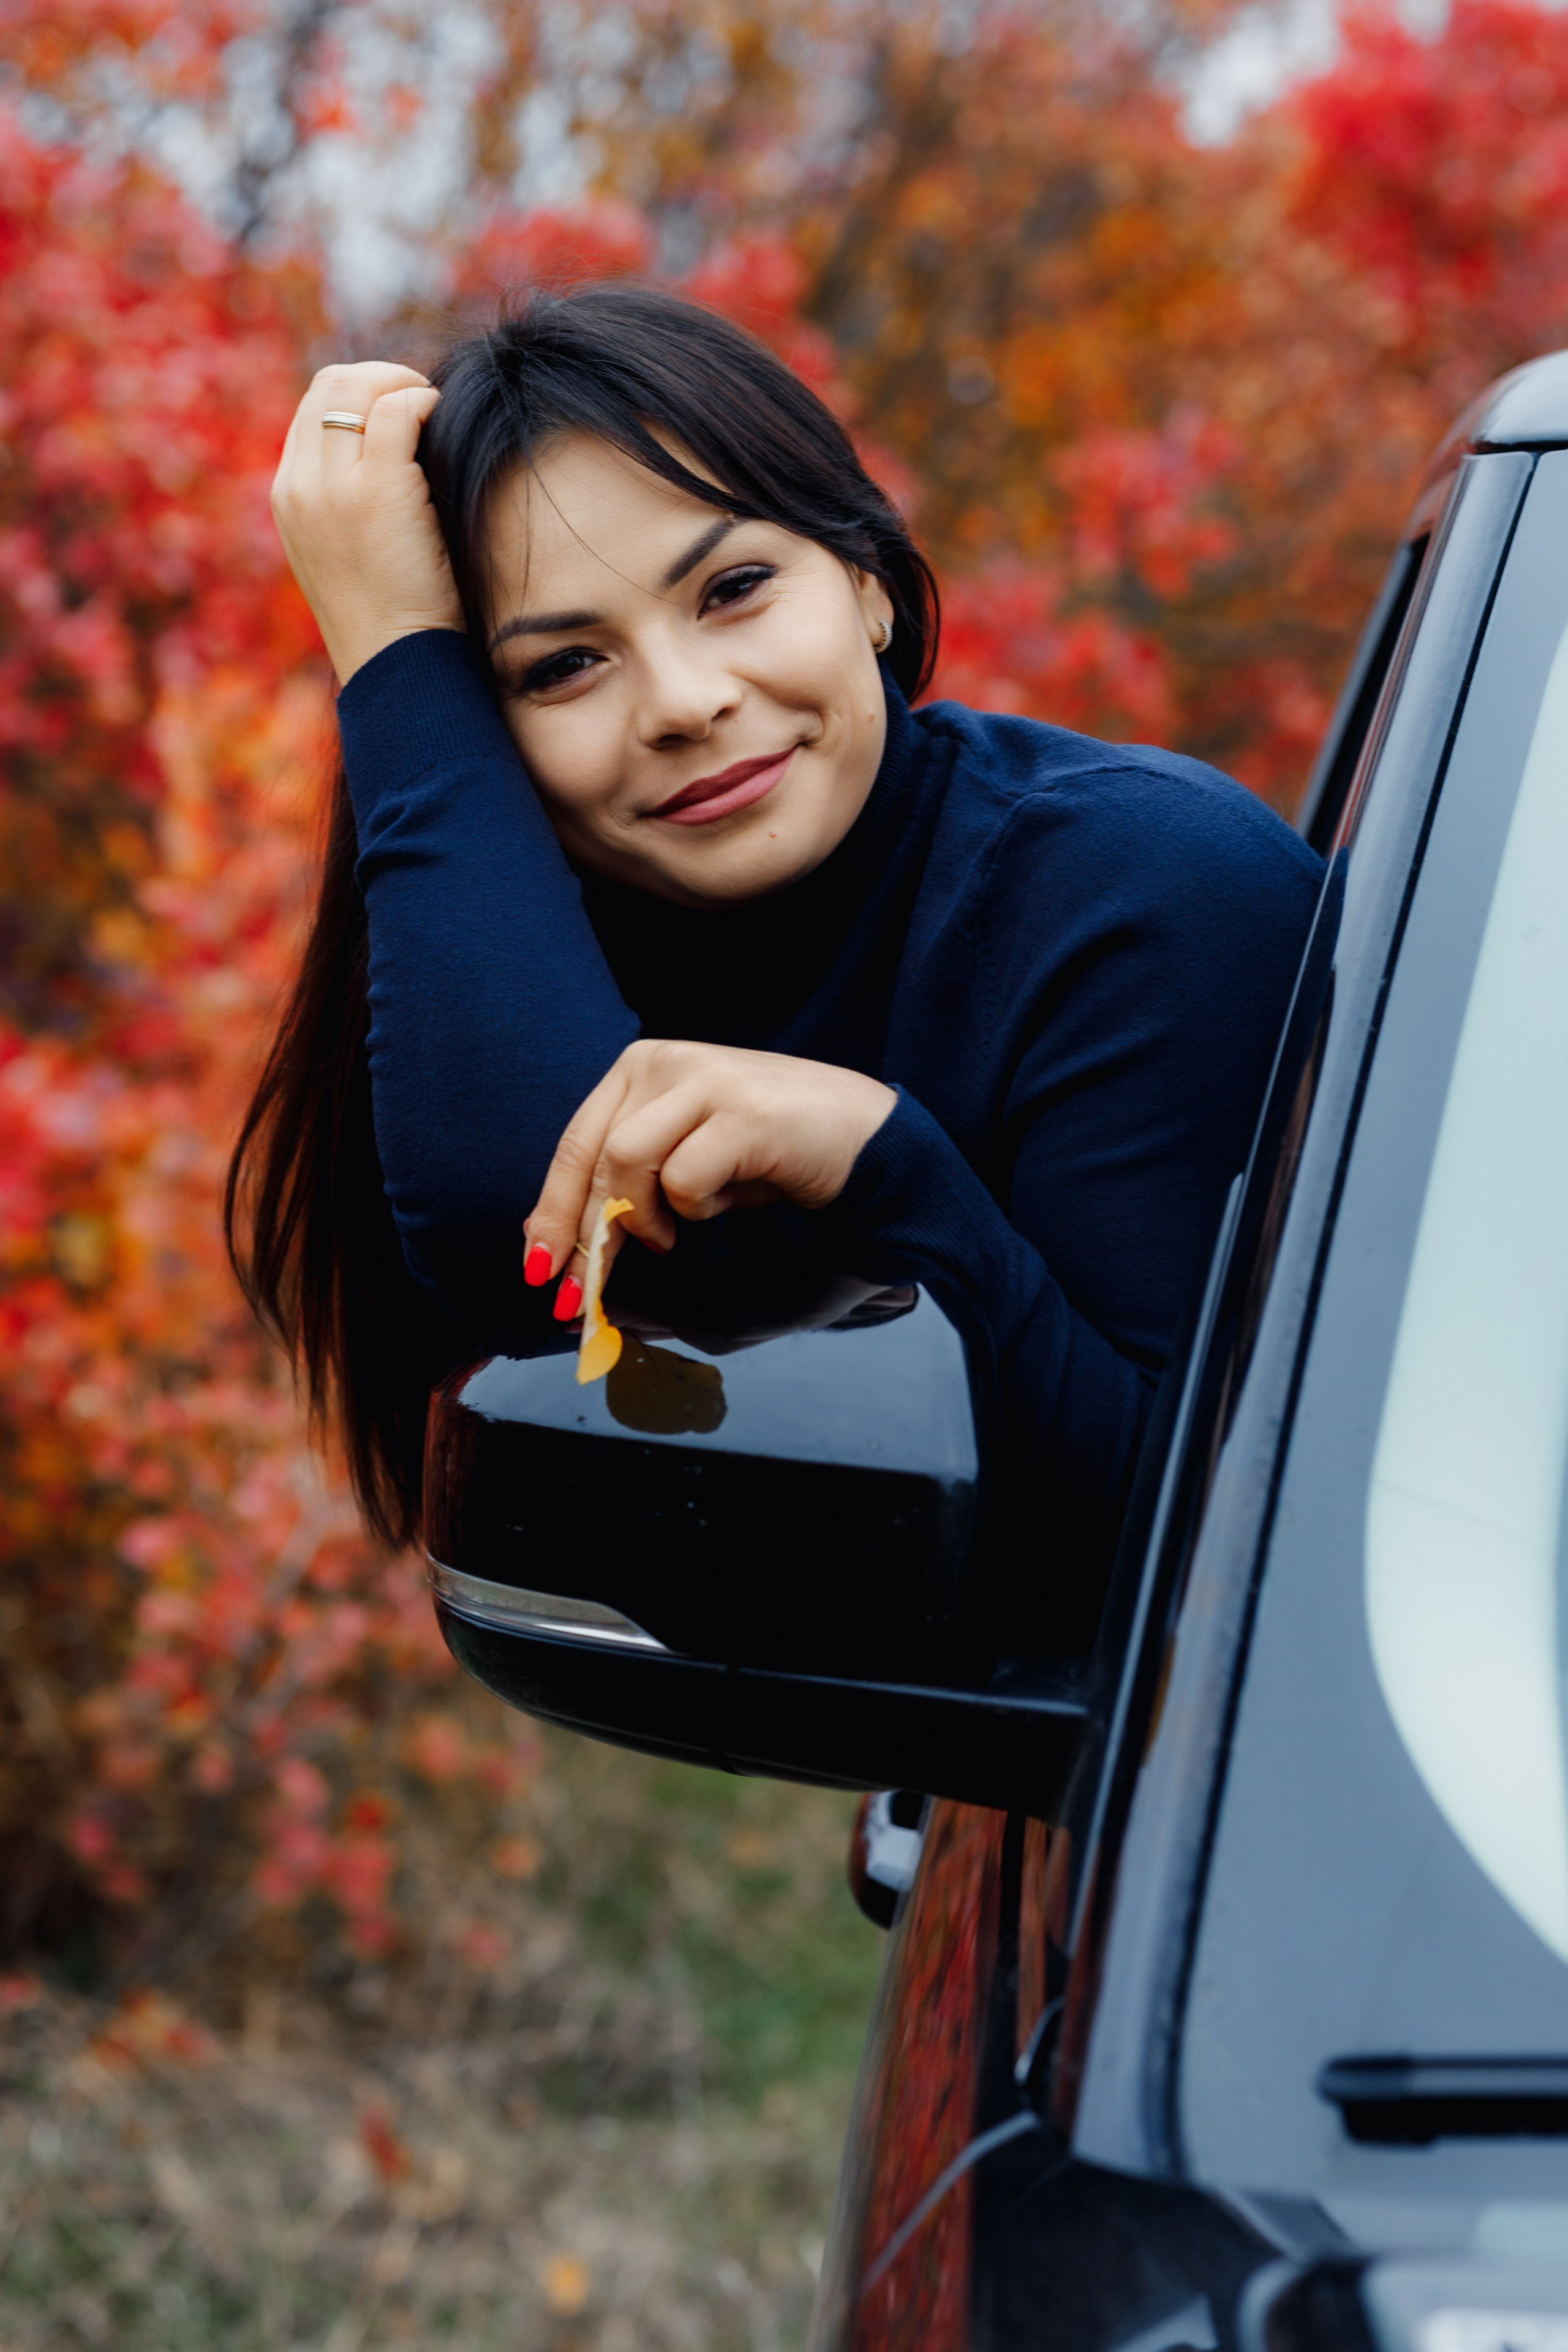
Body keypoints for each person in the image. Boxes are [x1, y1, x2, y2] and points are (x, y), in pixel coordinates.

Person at [228, 283, 1322, 1637]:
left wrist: (881, 1159)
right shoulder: (551, 955)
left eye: (733, 589)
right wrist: (394, 659)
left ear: (866, 580)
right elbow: (526, 1249)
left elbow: (1200, 1578)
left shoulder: (1139, 886)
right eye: (563, 668)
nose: (686, 702)